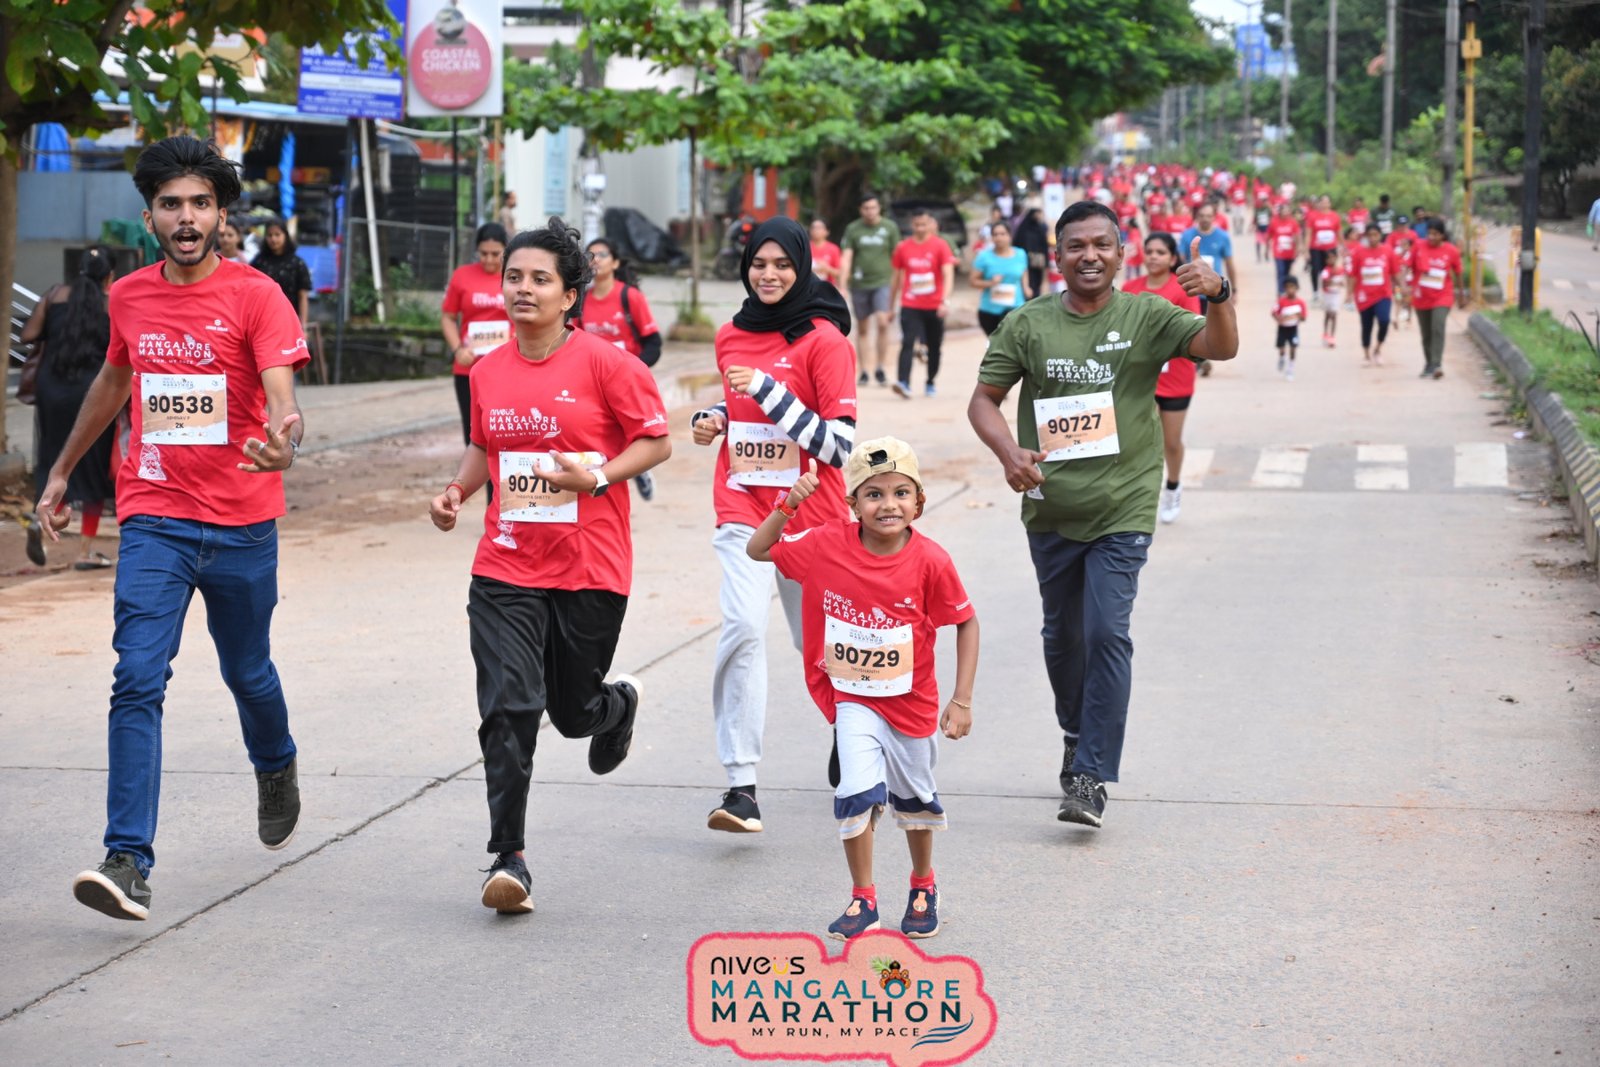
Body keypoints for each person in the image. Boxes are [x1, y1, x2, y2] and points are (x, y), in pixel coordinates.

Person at [35, 136, 309, 921]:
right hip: (155, 515)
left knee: (247, 670)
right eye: (170, 204)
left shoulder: (258, 294)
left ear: (221, 215)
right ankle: (127, 858)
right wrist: (62, 468)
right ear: (150, 214)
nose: (186, 218)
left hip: (242, 521)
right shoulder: (128, 296)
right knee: (137, 676)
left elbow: (281, 392)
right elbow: (115, 378)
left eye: (200, 204)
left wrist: (284, 438)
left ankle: (276, 761)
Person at [428, 216, 671, 915]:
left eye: (540, 279)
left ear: (570, 295)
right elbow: (486, 448)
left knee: (571, 713)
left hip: (590, 566)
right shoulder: (487, 370)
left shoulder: (608, 364)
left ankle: (615, 706)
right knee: (509, 706)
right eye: (514, 277)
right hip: (505, 565)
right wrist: (457, 491)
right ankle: (508, 857)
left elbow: (655, 443)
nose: (522, 289)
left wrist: (596, 477)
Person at [967, 202, 1237, 828]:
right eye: (1076, 246)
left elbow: (1219, 348)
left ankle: (1090, 774)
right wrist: (1008, 452)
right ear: (1057, 256)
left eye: (1102, 245)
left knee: (1107, 632)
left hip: (1125, 503)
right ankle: (1075, 734)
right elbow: (984, 400)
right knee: (1063, 638)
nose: (1089, 255)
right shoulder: (1027, 323)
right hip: (1051, 505)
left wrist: (1219, 294)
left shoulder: (1147, 314)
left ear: (1121, 254)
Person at [748, 438, 977, 941]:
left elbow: (965, 621)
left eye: (900, 493)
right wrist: (789, 504)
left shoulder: (931, 561)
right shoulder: (825, 544)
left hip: (912, 705)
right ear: (852, 504)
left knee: (915, 801)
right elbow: (758, 549)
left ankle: (923, 883)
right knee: (854, 792)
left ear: (919, 501)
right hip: (853, 699)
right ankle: (863, 897)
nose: (888, 505)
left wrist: (961, 700)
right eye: (873, 494)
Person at [692, 216, 857, 835]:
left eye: (782, 265)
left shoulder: (826, 342)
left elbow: (838, 446)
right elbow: (740, 407)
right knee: (741, 627)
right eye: (759, 264)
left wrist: (769, 392)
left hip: (811, 514)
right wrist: (715, 416)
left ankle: (852, 730)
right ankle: (741, 786)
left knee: (820, 645)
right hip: (743, 506)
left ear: (802, 267)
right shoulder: (730, 334)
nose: (769, 275)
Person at [19, 246, 120, 570]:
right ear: (110, 277)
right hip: (92, 392)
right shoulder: (112, 303)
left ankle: (41, 518)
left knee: (52, 457)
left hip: (52, 387)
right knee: (92, 467)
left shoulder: (55, 295)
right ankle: (86, 551)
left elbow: (28, 334)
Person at [1122, 232, 1201, 525]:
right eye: (1149, 251)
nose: (1153, 256)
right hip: (1139, 378)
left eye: (1160, 252)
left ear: (1172, 258)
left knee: (1171, 442)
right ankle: (1141, 495)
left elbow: (1193, 330)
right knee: (1140, 441)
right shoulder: (1130, 289)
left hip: (1176, 378)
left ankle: (1173, 487)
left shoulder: (1182, 289)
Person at [576, 237, 664, 500]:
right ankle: (607, 476)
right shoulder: (581, 301)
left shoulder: (630, 297)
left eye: (603, 254)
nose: (596, 260)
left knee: (630, 430)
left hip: (626, 381)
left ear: (615, 262)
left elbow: (653, 343)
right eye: (590, 256)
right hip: (592, 381)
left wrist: (633, 369)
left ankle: (638, 467)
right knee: (599, 432)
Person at [441, 223, 510, 446]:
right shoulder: (462, 276)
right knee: (472, 433)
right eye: (483, 253)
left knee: (503, 432)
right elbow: (448, 317)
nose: (489, 260)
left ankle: (498, 472)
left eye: (495, 254)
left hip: (506, 367)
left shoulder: (514, 276)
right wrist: (457, 350)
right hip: (468, 368)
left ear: (506, 250)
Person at [890, 208, 957, 398]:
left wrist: (945, 301)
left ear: (930, 224)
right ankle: (903, 382)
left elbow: (948, 274)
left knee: (934, 346)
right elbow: (896, 278)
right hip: (910, 303)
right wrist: (890, 306)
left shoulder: (940, 245)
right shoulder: (903, 247)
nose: (920, 228)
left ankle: (930, 381)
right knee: (907, 342)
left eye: (924, 224)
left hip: (934, 305)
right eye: (917, 224)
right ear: (912, 225)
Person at [838, 195, 899, 387]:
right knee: (863, 327)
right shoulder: (853, 229)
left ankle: (880, 367)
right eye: (866, 208)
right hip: (859, 284)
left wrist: (899, 283)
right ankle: (864, 370)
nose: (870, 211)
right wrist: (842, 285)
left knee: (882, 322)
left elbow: (897, 257)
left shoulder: (889, 227)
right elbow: (847, 257)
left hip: (883, 282)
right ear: (860, 209)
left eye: (873, 207)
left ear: (879, 208)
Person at [1410, 219, 1466, 380]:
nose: (1431, 237)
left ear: (1442, 235)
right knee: (1426, 332)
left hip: (1443, 295)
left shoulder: (1451, 251)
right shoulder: (1418, 246)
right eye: (1429, 233)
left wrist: (1461, 295)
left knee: (1438, 326)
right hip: (1422, 296)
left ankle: (1436, 364)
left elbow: (1458, 273)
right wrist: (1406, 287)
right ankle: (1428, 364)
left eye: (1435, 234)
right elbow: (1409, 266)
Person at [1351, 223, 1401, 365]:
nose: (1372, 238)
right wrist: (1349, 294)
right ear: (1365, 236)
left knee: (1384, 321)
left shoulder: (1388, 251)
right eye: (1370, 235)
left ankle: (1378, 349)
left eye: (1375, 235)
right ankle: (1366, 355)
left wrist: (1401, 288)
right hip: (1364, 295)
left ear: (1380, 235)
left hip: (1383, 294)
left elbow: (1395, 273)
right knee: (1366, 325)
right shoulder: (1359, 252)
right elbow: (1353, 275)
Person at [971, 220, 1031, 336]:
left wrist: (1026, 287)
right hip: (990, 311)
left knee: (1015, 342)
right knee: (996, 344)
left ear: (1010, 235)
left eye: (1003, 234)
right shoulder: (984, 257)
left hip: (1015, 308)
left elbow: (1024, 271)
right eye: (995, 234)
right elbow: (973, 281)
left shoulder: (1020, 254)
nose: (999, 238)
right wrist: (990, 283)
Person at [251, 220, 312, 328]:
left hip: (289, 320)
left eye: (277, 235)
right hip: (262, 320)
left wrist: (303, 326)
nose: (273, 239)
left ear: (285, 236)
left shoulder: (297, 263)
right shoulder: (258, 262)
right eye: (270, 235)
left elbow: (303, 296)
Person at [1178, 202, 1236, 310]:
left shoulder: (1223, 236)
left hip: (1215, 291)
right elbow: (1180, 260)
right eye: (1202, 215)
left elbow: (1229, 264)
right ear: (1197, 216)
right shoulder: (1187, 235)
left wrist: (1234, 289)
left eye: (1208, 216)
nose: (1205, 219)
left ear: (1214, 217)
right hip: (1192, 291)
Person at [1304, 195, 1342, 294]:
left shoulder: (1335, 216)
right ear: (1319, 203)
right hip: (1316, 248)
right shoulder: (1313, 216)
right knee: (1315, 269)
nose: (1325, 204)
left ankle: (1327, 290)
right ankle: (1315, 291)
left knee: (1329, 270)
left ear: (1330, 204)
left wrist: (1343, 246)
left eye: (1327, 202)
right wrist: (1306, 250)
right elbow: (1308, 234)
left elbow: (1339, 233)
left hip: (1330, 248)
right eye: (1323, 202)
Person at [1013, 208, 1051, 304]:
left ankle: (1035, 301)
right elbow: (1017, 243)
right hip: (1024, 262)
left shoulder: (1040, 228)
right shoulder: (1023, 229)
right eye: (1036, 214)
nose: (1037, 216)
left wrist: (1046, 262)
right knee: (1025, 282)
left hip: (1037, 263)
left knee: (1036, 284)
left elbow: (1044, 246)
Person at [1274, 276, 1308, 381]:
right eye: (1288, 287)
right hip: (1283, 328)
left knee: (1293, 348)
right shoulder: (1281, 301)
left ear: (1297, 288)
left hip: (1293, 329)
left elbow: (1304, 318)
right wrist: (1279, 318)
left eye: (1292, 287)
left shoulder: (1300, 303)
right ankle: (1282, 357)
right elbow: (1274, 312)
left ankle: (1290, 369)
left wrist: (1299, 316)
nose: (1290, 290)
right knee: (1282, 348)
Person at [1267, 201, 1300, 293]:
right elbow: (1269, 236)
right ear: (1280, 211)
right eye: (1283, 210)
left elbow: (1297, 236)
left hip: (1290, 252)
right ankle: (1280, 291)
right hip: (1279, 252)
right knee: (1280, 271)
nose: (1285, 212)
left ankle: (1286, 290)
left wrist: (1297, 249)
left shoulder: (1293, 222)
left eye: (1287, 210)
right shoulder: (1274, 222)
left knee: (1287, 272)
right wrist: (1266, 249)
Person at [1319, 253, 1346, 347]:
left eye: (1333, 258)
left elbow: (1342, 283)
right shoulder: (1326, 271)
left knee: (1334, 315)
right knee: (1327, 315)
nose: (1331, 260)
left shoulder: (1340, 270)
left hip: (1336, 295)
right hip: (1327, 295)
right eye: (1329, 259)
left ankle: (1332, 337)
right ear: (1326, 261)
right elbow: (1324, 284)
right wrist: (1333, 279)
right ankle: (1325, 333)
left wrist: (1338, 282)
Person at [810, 218, 844, 291]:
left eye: (819, 228)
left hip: (827, 288)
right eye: (813, 227)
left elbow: (839, 273)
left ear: (827, 232)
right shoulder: (805, 247)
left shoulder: (833, 249)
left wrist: (827, 269)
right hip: (808, 288)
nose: (815, 230)